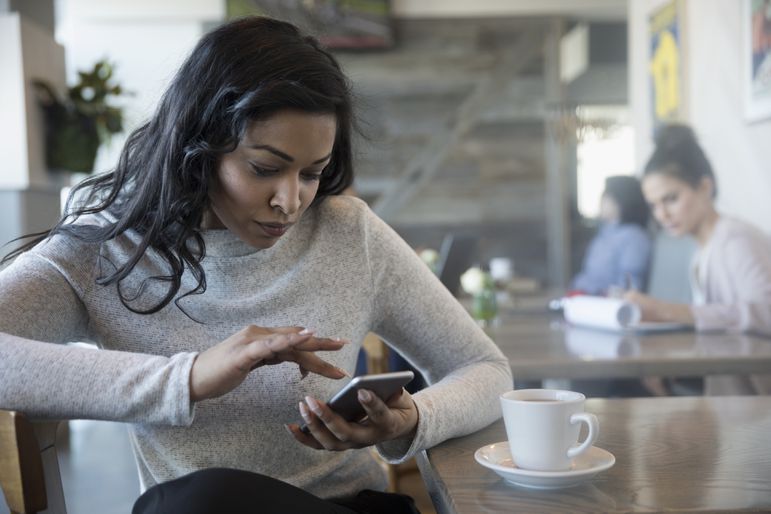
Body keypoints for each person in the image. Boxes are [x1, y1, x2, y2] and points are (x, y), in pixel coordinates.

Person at [0, 16, 511, 514]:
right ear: (196, 149)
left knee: (193, 503)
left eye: (312, 173)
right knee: (195, 501)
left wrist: (412, 418)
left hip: (346, 505)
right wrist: (189, 377)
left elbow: (487, 369)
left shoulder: (348, 232)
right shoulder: (103, 249)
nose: (289, 201)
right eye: (263, 169)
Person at [624, 124, 771, 394]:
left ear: (705, 187)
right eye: (654, 205)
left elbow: (766, 313)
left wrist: (667, 310)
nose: (662, 215)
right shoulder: (703, 250)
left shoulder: (736, 242)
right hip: (729, 406)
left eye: (671, 199)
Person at [571, 175, 652, 295]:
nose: (600, 202)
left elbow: (629, 286)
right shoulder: (606, 232)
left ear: (622, 201)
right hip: (584, 297)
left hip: (603, 303)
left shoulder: (634, 237)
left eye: (606, 197)